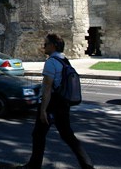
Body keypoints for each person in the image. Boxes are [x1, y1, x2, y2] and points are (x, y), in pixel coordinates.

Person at [16, 33, 94, 169]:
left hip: (51, 104)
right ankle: (87, 165)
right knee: (67, 135)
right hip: (63, 104)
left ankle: (34, 165)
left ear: (53, 46)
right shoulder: (64, 60)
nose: (43, 46)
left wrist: (43, 110)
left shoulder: (51, 62)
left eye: (45, 44)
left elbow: (47, 88)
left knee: (38, 134)